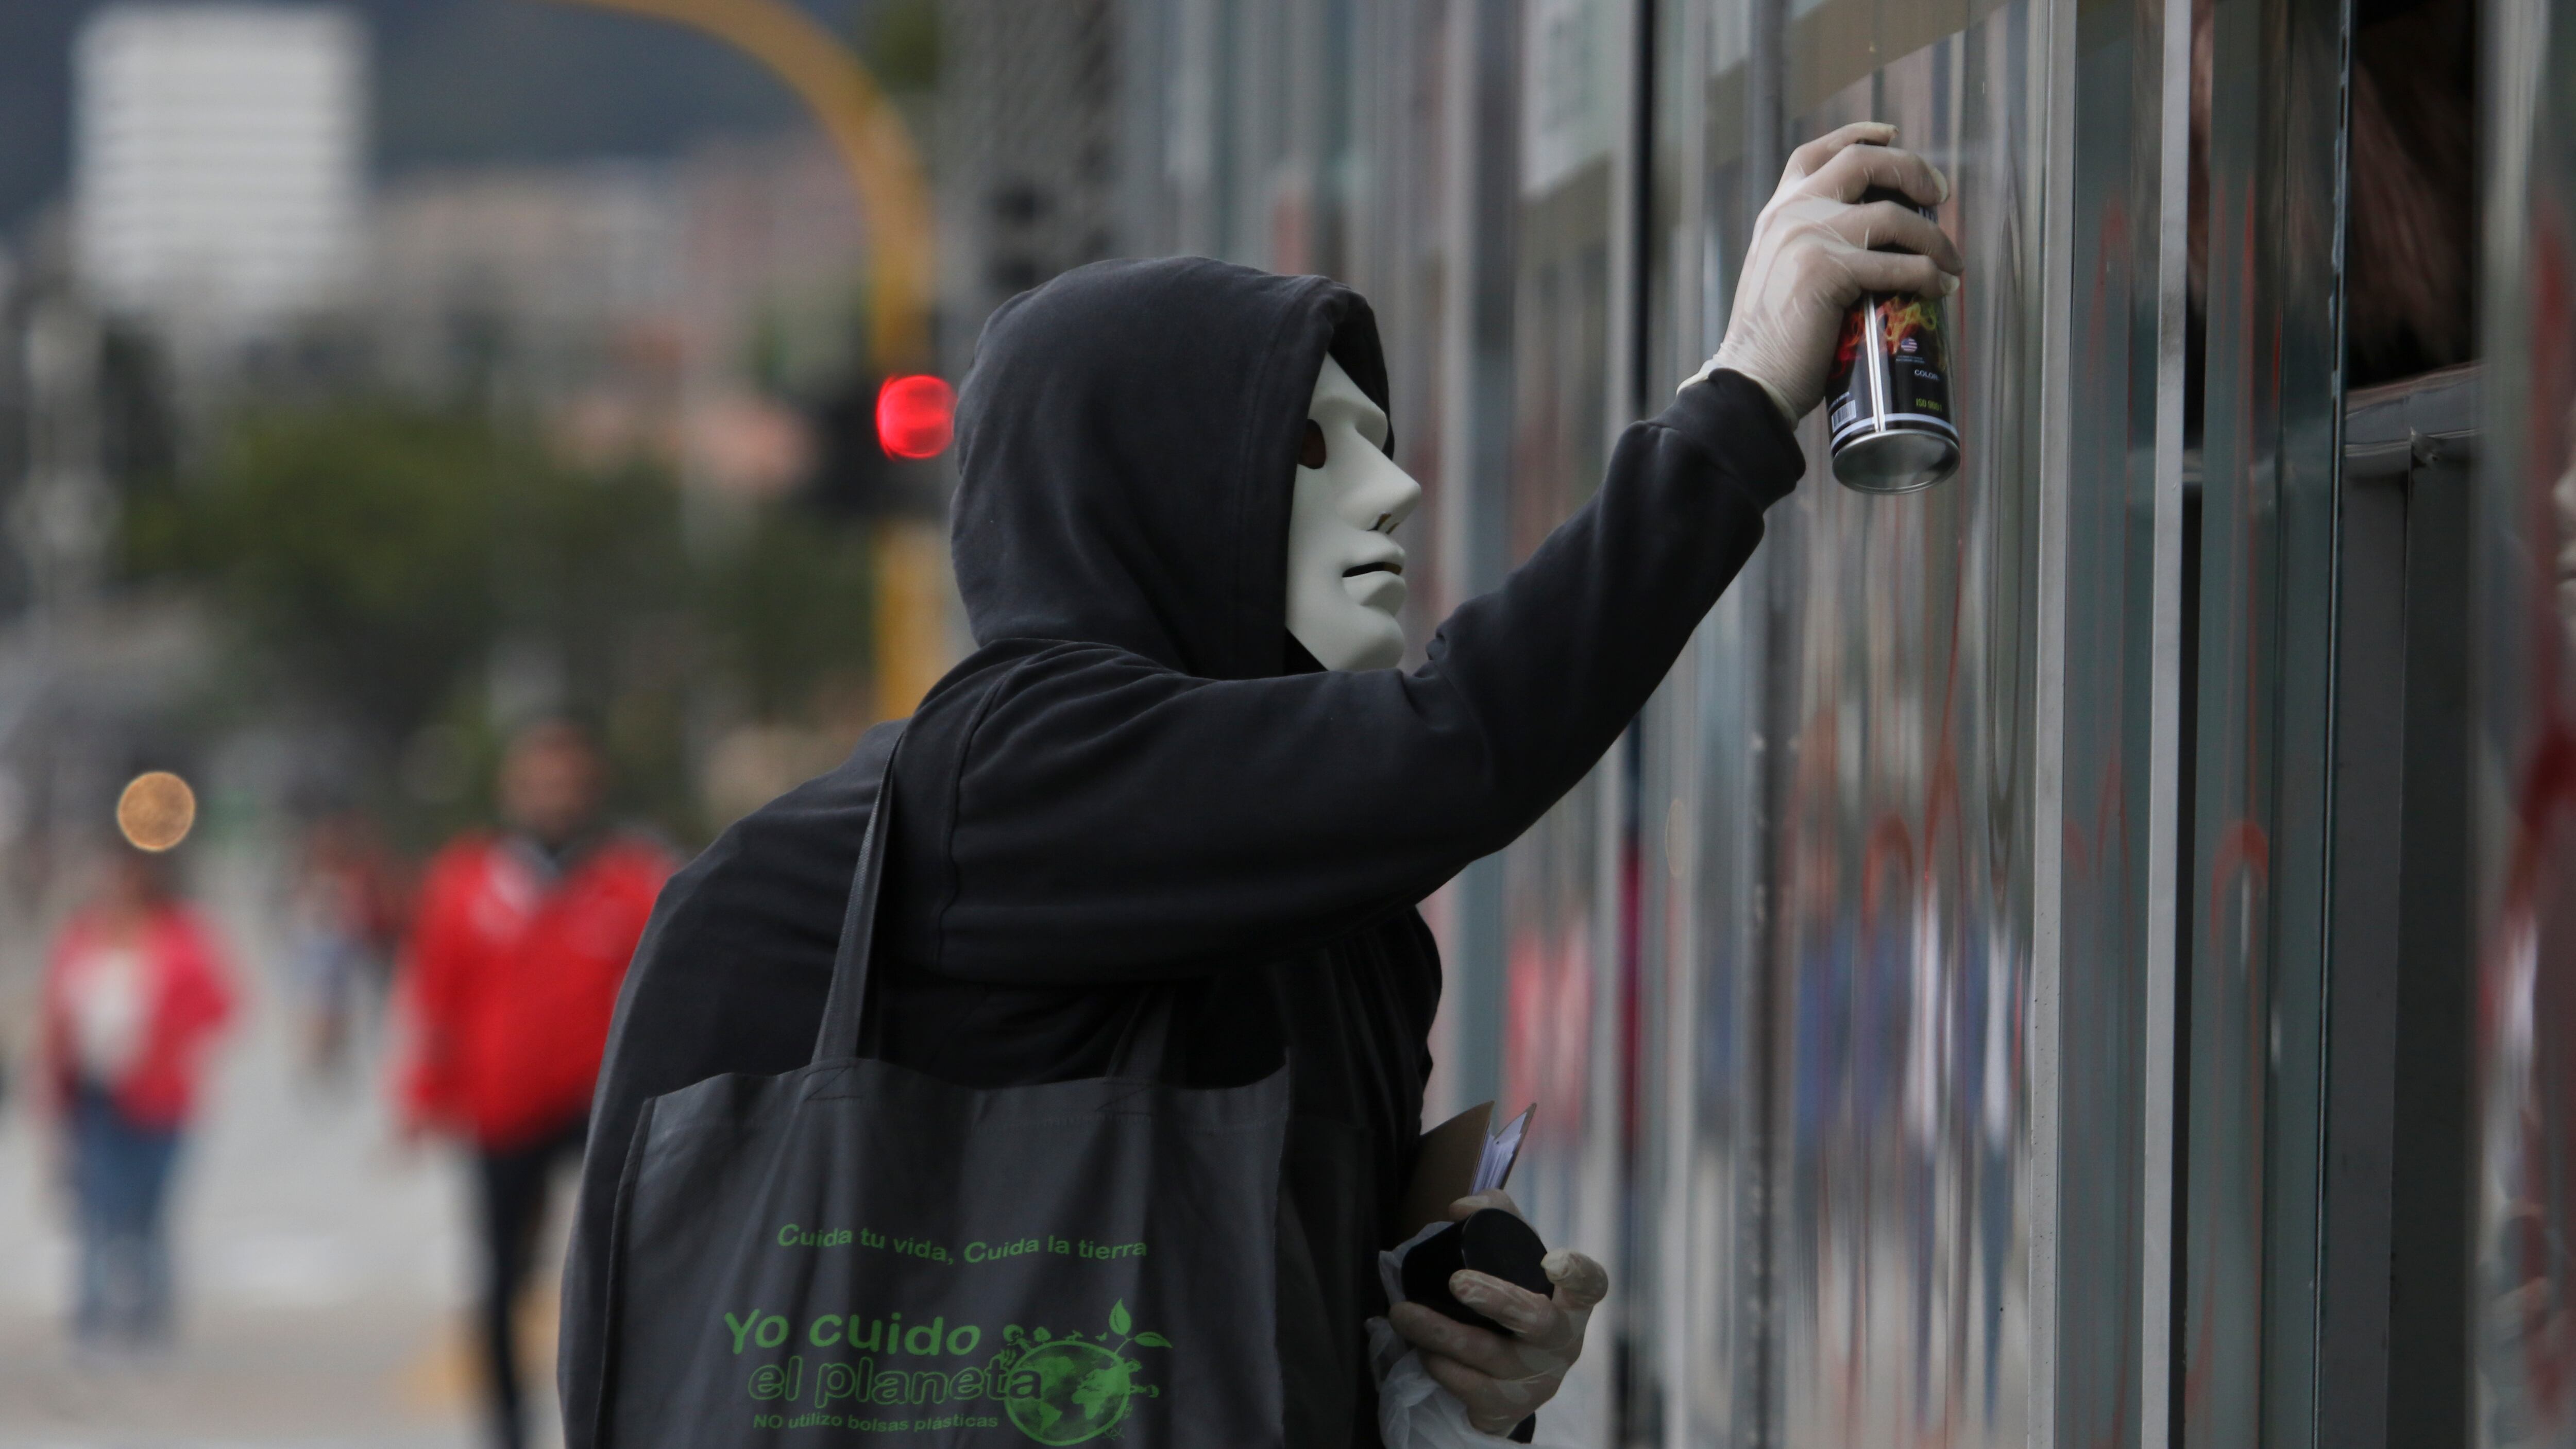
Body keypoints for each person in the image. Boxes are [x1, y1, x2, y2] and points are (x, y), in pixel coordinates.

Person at [566, 124, 1958, 1445]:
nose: (1395, 489)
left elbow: (1247, 1341)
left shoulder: (1318, 915)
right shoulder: (1021, 764)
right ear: (1152, 495)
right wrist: (1743, 398)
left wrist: (1451, 1382)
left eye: (1378, 437)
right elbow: (1463, 741)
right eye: (1310, 448)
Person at [394, 720, 672, 1449]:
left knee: (621, 1266)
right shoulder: (466, 880)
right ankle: (506, 1429)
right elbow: (436, 995)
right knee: (502, 1279)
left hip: (600, 1106)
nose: (554, 796)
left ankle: (620, 1417)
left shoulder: (628, 881)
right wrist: (424, 1094)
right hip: (503, 1106)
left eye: (567, 783)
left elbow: (661, 998)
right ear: (511, 789)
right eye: (539, 782)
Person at [39, 842, 235, 1353]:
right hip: (96, 1092)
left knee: (152, 1214)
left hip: (160, 1096)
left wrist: (167, 1038)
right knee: (97, 1211)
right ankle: (92, 1319)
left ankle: (151, 1319)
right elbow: (55, 1010)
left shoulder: (180, 937)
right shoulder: (82, 936)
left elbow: (220, 1004)